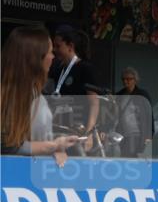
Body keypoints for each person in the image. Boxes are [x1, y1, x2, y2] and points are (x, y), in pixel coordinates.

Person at [1, 25, 79, 164]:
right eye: (50, 52)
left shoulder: (34, 93)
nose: (53, 57)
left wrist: (56, 147)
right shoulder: (10, 97)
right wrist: (51, 146)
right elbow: (7, 145)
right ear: (34, 58)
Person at [48, 25, 99, 151]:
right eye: (54, 46)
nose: (54, 50)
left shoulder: (85, 68)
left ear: (70, 46)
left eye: (58, 46)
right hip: (60, 131)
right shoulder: (58, 69)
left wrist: (89, 133)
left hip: (79, 132)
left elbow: (94, 103)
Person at [115, 67, 152, 158]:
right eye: (123, 79)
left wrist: (149, 135)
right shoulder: (119, 95)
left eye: (128, 79)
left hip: (136, 133)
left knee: (132, 156)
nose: (125, 81)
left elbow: (149, 116)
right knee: (124, 157)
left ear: (135, 80)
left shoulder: (142, 95)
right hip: (122, 134)